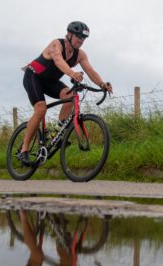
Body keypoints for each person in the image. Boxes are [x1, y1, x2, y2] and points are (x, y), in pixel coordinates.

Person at [19, 21, 113, 166]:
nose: (81, 40)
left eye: (83, 38)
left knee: (70, 97)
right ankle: (24, 150)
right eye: (78, 36)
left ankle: (57, 132)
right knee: (41, 109)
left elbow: (90, 71)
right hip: (34, 77)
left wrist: (102, 84)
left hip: (50, 82)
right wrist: (72, 73)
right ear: (69, 34)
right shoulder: (56, 44)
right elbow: (58, 61)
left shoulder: (80, 55)